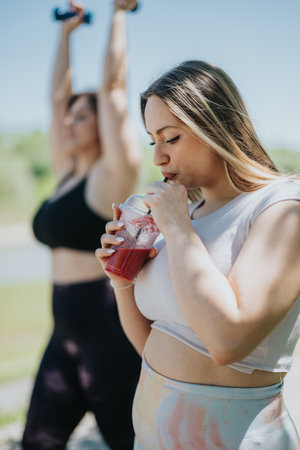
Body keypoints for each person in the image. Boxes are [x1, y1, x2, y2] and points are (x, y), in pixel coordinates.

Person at [96, 60, 300, 449]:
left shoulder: (282, 207)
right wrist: (122, 284)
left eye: (171, 138)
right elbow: (155, 345)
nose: (158, 158)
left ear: (217, 126)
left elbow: (226, 342)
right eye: (152, 141)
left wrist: (176, 230)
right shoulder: (186, 216)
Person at [22, 1, 142, 449]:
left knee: (128, 441)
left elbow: (113, 87)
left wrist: (117, 14)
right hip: (63, 332)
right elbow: (56, 100)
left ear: (103, 127)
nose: (69, 122)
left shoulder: (111, 176)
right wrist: (67, 33)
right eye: (69, 117)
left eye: (82, 116)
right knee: (37, 441)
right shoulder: (66, 174)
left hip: (106, 331)